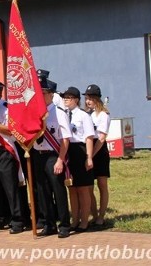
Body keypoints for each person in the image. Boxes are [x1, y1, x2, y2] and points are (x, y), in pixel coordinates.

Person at [32, 78, 72, 238]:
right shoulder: (35, 113)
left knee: (58, 191)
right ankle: (49, 224)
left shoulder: (58, 113)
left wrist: (60, 160)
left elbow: (65, 139)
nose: (40, 96)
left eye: (43, 93)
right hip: (37, 155)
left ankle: (64, 225)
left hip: (53, 156)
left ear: (51, 94)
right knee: (42, 191)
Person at [0, 81, 25, 234]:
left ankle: (17, 220)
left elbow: (10, 131)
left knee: (10, 189)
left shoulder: (7, 108)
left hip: (5, 151)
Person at [61, 86, 95, 233]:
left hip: (80, 150)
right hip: (68, 151)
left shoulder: (83, 116)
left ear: (76, 100)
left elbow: (88, 138)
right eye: (64, 98)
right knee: (72, 188)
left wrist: (89, 157)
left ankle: (84, 221)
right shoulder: (63, 114)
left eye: (68, 98)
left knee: (82, 188)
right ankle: (74, 220)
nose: (65, 100)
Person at [84, 84, 111, 228]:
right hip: (89, 148)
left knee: (102, 184)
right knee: (89, 186)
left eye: (90, 99)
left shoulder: (103, 115)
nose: (88, 101)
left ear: (97, 99)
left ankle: (101, 216)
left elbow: (101, 138)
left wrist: (91, 155)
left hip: (99, 151)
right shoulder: (87, 115)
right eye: (87, 99)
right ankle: (93, 214)